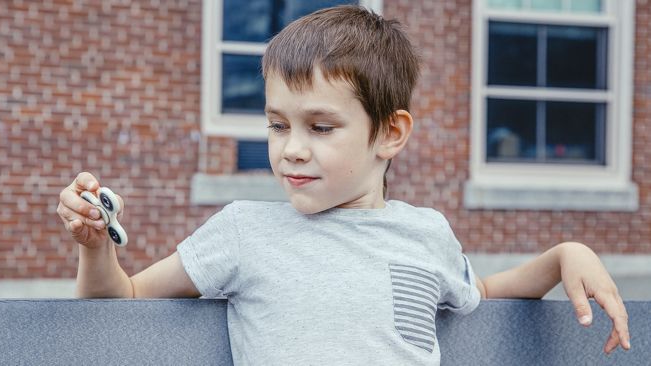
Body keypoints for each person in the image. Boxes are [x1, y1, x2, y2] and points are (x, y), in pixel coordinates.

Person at [56, 5, 630, 365]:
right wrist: (96, 245)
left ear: (390, 132)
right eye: (278, 125)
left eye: (320, 126)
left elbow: (480, 289)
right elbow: (119, 301)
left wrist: (564, 255)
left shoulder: (425, 233)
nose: (291, 148)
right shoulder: (243, 230)